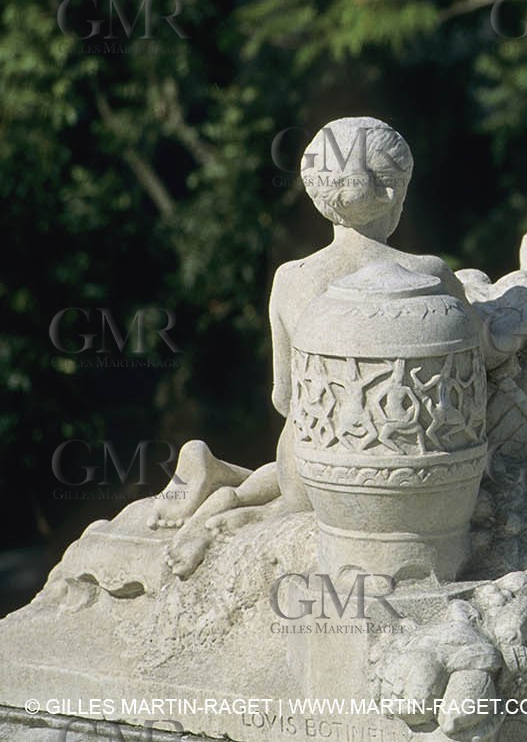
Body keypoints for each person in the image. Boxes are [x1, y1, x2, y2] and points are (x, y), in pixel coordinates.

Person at [152, 117, 468, 577]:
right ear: (393, 191)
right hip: (387, 464)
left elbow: (284, 397)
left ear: (318, 195)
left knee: (297, 453)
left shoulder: (291, 278)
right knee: (295, 499)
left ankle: (222, 478)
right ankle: (226, 510)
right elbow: (483, 358)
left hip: (303, 454)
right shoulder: (432, 273)